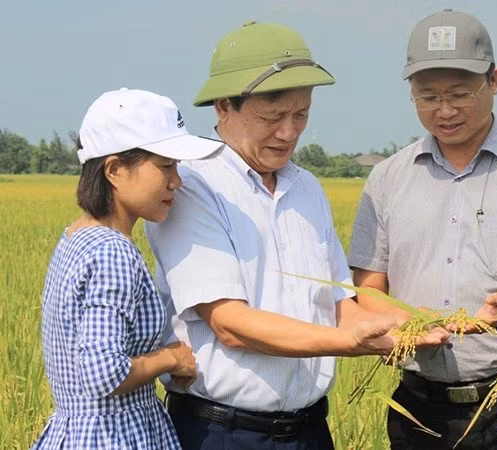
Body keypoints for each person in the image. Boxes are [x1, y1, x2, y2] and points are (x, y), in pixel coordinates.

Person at [144, 21, 448, 450]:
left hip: (309, 431)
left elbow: (340, 307)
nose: (289, 132)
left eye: (301, 114)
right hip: (222, 432)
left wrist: (406, 326)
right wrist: (348, 343)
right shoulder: (193, 186)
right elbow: (231, 325)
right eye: (272, 117)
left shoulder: (306, 188)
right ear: (224, 107)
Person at [348, 9, 497, 450]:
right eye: (428, 97)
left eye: (459, 94)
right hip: (419, 408)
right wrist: (405, 322)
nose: (445, 110)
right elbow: (369, 290)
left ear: (494, 81)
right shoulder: (386, 179)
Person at [31, 88, 223, 449]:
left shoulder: (75, 236)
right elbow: (103, 373)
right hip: (113, 435)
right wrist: (169, 359)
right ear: (115, 170)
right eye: (165, 166)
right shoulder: (113, 252)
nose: (176, 181)